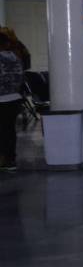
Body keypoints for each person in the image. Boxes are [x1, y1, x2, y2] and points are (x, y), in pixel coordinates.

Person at [0, 32, 22, 172]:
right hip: (14, 98)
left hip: (1, 99)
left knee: (2, 132)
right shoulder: (16, 58)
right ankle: (10, 159)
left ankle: (3, 160)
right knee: (10, 131)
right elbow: (21, 78)